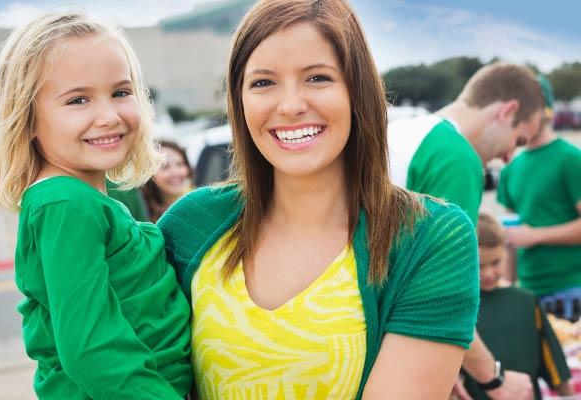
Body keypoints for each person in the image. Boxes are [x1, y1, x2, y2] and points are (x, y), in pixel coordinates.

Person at [158, 0, 479, 399]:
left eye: (317, 78)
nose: (290, 105)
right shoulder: (190, 225)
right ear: (239, 102)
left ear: (357, 90)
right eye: (262, 82)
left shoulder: (429, 238)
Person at [0, 13, 192, 399]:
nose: (109, 116)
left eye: (120, 92)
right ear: (27, 117)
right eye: (78, 100)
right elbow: (92, 349)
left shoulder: (87, 198)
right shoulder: (64, 203)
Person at [388, 63, 545, 399]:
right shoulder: (456, 157)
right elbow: (443, 295)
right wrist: (495, 379)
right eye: (517, 140)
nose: (508, 156)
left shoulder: (405, 131)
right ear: (508, 110)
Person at [462, 212, 572, 399]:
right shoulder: (460, 309)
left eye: (496, 262)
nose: (488, 273)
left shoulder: (526, 301)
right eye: (479, 266)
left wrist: (567, 394)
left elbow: (553, 362)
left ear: (506, 251)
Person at [497, 75, 581, 321]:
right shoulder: (510, 168)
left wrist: (536, 236)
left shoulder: (571, 159)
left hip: (570, 291)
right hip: (527, 294)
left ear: (546, 110)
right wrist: (507, 288)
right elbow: (510, 236)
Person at [142, 140, 194, 222]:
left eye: (179, 164)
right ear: (148, 175)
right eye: (164, 167)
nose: (175, 172)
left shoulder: (200, 201)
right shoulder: (142, 215)